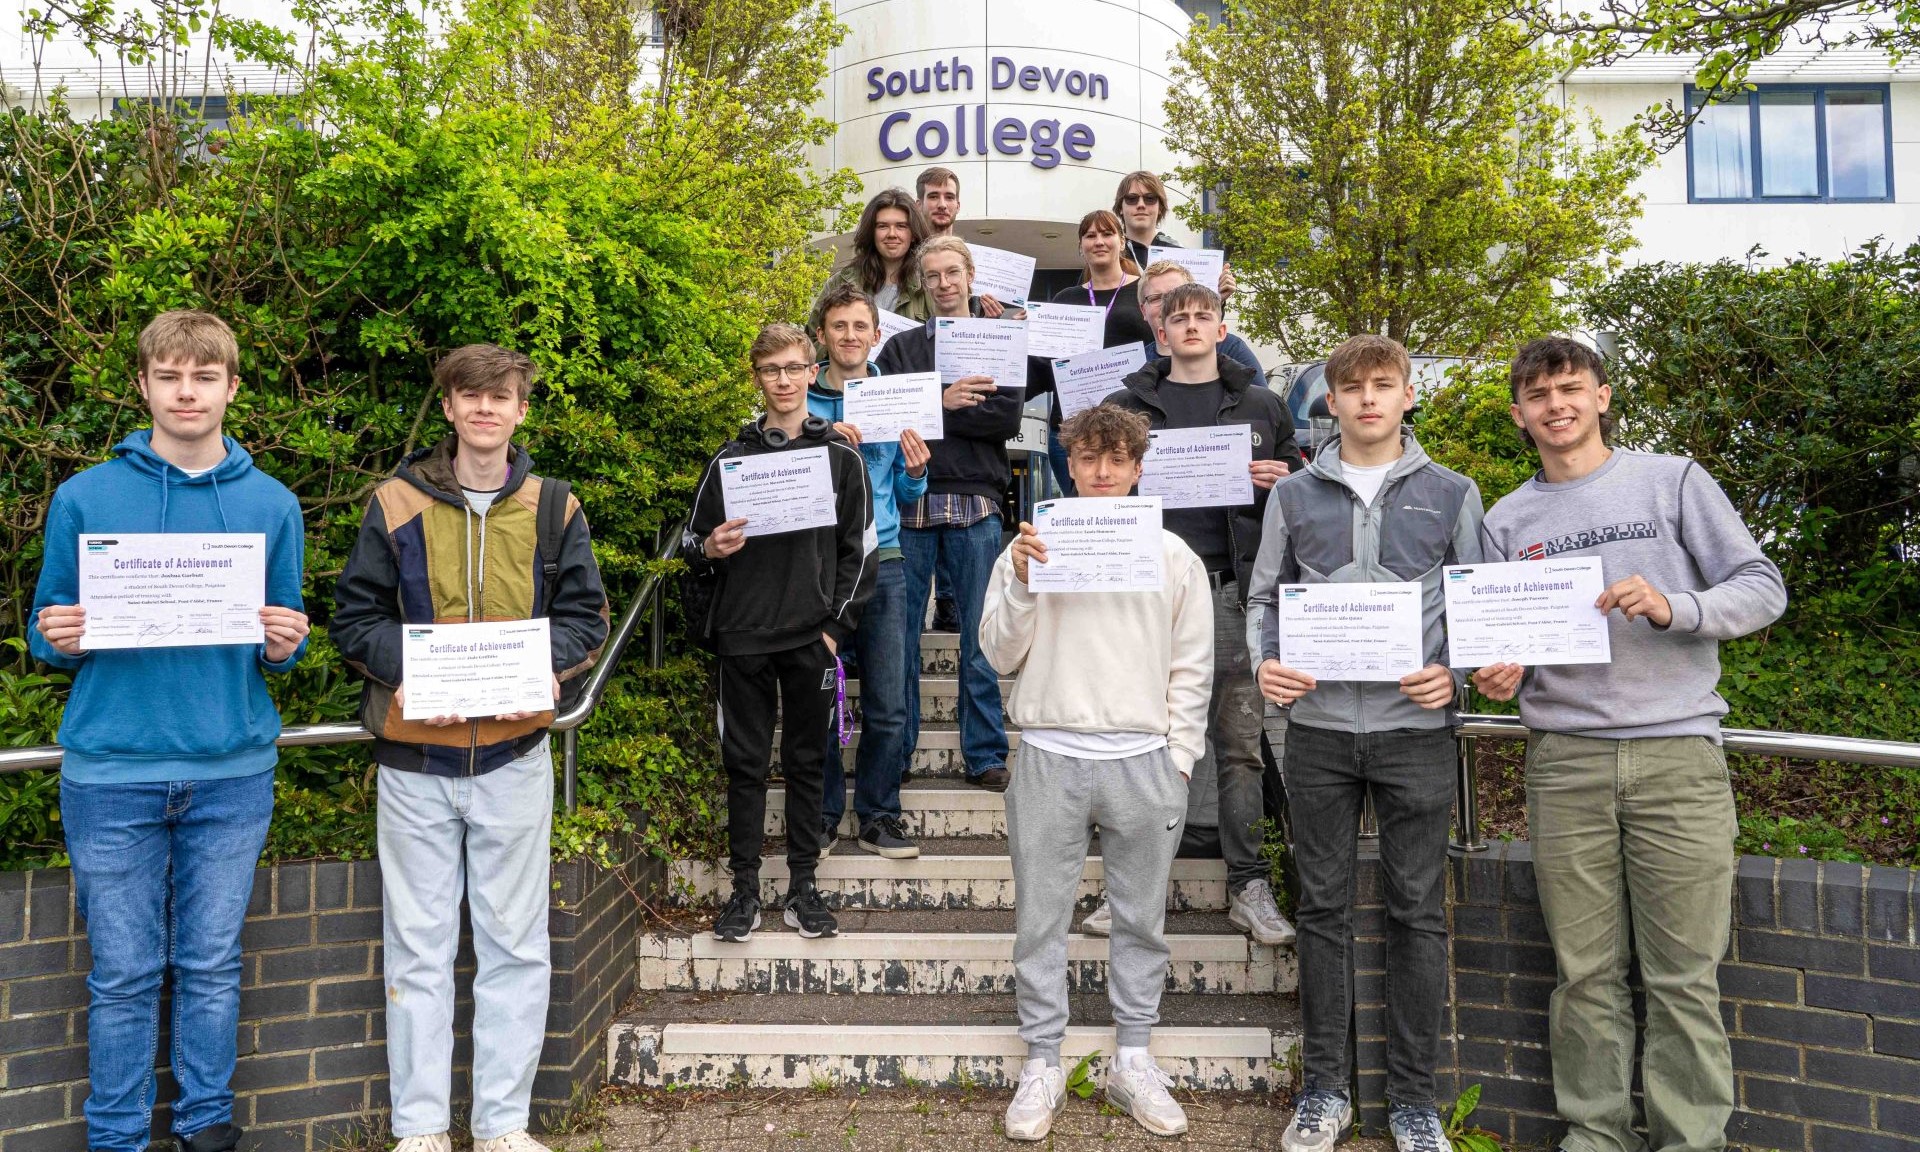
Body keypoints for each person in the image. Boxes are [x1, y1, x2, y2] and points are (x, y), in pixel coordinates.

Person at [1473, 337, 1786, 1152]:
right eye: (1538, 396)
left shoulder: (1672, 480)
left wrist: (1675, 605)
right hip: (1565, 762)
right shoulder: (1506, 520)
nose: (1556, 406)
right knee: (1585, 976)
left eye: (1571, 389)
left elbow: (1761, 589)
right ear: (1519, 414)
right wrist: (1499, 678)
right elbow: (1506, 644)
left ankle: (1691, 1142)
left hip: (1678, 756)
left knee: (1684, 978)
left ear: (1604, 396)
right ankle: (1595, 1137)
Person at [30, 309, 311, 1152]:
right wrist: (58, 635)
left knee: (213, 969)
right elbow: (47, 630)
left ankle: (204, 1130)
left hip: (233, 771)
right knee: (121, 976)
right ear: (145, 385)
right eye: (169, 377)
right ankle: (114, 1139)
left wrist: (285, 643)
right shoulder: (84, 496)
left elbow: (281, 641)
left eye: (203, 377)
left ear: (231, 386)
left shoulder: (272, 503)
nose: (186, 393)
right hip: (111, 773)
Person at [332, 344, 610, 1152]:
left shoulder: (555, 506)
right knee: (416, 951)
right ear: (448, 407)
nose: (486, 409)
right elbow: (355, 622)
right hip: (415, 763)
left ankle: (502, 1128)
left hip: (515, 760)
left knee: (516, 949)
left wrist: (552, 667)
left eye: (502, 397)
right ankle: (419, 1131)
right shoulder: (393, 502)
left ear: (522, 410)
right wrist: (407, 671)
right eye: (470, 396)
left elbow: (585, 618)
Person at [1244, 335, 1486, 1152]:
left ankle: (1414, 1104)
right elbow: (1265, 598)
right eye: (1354, 389)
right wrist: (1266, 664)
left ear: (1408, 394)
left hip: (1416, 735)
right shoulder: (1293, 497)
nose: (1369, 400)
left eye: (1385, 386)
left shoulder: (1454, 493)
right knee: (1322, 912)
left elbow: (1479, 607)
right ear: (1331, 402)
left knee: (1417, 914)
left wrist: (1452, 673)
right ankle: (1324, 1093)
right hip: (1315, 733)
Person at [980, 403, 1213, 1143]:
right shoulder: (1028, 548)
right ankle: (1042, 1061)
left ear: (1139, 468)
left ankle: (1133, 1057)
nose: (1103, 471)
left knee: (1142, 921)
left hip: (1141, 759)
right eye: (1088, 458)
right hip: (1050, 751)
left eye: (1117, 459)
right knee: (1039, 919)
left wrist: (1177, 759)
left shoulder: (1175, 556)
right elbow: (996, 654)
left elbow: (1193, 665)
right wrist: (1020, 580)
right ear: (1069, 465)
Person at [1089, 282, 1300, 950]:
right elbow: (1093, 486)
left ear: (1220, 327)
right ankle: (1126, 888)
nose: (1188, 325)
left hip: (1232, 592)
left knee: (1241, 746)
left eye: (1201, 316)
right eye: (1176, 316)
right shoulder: (1126, 405)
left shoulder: (1263, 404)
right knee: (1141, 743)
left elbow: (1302, 494)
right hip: (1145, 595)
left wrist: (1282, 478)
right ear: (1159, 330)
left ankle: (1249, 886)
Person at [686, 323, 876, 941]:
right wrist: (710, 547)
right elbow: (692, 543)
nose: (785, 381)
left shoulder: (841, 458)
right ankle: (743, 890)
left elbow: (862, 552)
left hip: (808, 637)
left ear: (813, 370)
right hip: (741, 633)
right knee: (742, 766)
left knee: (805, 762)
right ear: (757, 378)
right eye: (772, 370)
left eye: (795, 368)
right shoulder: (728, 458)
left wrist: (834, 629)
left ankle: (802, 887)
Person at [876, 236, 1022, 791]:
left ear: (970, 274)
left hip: (976, 502)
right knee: (901, 637)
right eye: (932, 275)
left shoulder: (999, 339)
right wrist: (942, 401)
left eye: (952, 273)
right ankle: (899, 751)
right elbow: (891, 417)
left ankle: (984, 754)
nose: (943, 283)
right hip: (911, 502)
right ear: (923, 282)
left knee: (979, 638)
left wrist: (936, 412)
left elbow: (1005, 416)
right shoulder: (902, 350)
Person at [809, 282, 932, 859]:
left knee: (889, 700)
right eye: (839, 327)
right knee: (819, 694)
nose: (850, 337)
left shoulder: (897, 397)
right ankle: (826, 815)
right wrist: (821, 443)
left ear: (877, 336)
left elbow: (907, 492)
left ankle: (879, 814)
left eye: (860, 327)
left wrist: (915, 470)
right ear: (822, 336)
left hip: (884, 561)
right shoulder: (802, 402)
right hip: (815, 569)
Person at [1111, 169, 1242, 311]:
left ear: (1160, 207)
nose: (1141, 204)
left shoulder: (1178, 254)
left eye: (1150, 198)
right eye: (1132, 198)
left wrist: (1218, 299)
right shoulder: (1109, 254)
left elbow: (1199, 320)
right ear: (1120, 207)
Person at [812, 188, 933, 328]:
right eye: (882, 226)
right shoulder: (840, 282)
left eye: (901, 226)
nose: (892, 234)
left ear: (913, 234)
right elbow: (813, 338)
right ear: (871, 232)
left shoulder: (929, 285)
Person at [1135, 259, 1264, 378]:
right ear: (1143, 310)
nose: (1166, 304)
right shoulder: (1136, 365)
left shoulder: (1230, 347)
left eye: (1176, 294)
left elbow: (1261, 401)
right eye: (1156, 298)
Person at [916, 165, 961, 237]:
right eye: (933, 197)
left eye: (949, 197)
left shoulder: (968, 249)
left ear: (958, 206)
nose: (942, 205)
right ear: (919, 205)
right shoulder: (904, 248)